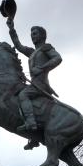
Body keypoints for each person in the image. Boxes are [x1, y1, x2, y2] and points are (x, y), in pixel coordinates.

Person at [7, 19, 62, 150]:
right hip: (34, 83)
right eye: (31, 34)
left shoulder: (46, 48)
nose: (32, 36)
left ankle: (31, 123)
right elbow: (18, 46)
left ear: (42, 36)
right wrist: (11, 29)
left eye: (35, 33)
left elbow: (58, 58)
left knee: (23, 95)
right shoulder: (32, 52)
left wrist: (42, 68)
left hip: (41, 84)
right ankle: (33, 137)